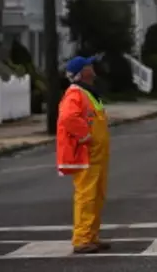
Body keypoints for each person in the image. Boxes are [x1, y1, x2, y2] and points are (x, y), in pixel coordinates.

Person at [56, 55, 111, 255]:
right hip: (86, 155)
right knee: (86, 196)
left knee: (96, 196)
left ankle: (91, 236)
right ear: (82, 72)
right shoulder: (76, 93)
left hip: (96, 155)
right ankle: (82, 238)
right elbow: (68, 117)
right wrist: (85, 134)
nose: (92, 67)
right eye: (88, 65)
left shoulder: (88, 93)